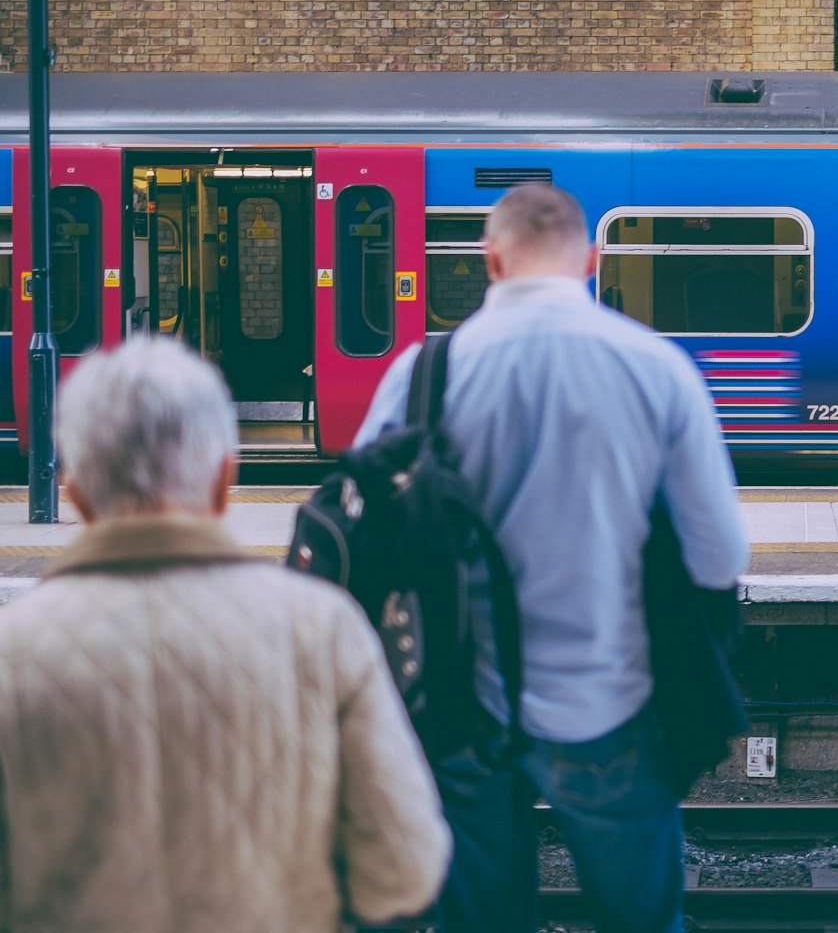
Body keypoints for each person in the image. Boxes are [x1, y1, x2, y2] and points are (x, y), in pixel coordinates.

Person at [356, 182, 749, 933]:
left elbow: (369, 529)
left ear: (490, 258)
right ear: (592, 260)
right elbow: (720, 553)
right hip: (612, 702)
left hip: (461, 707)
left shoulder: (421, 373)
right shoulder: (656, 367)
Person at [0, 337, 450, 932]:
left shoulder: (14, 651)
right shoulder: (322, 629)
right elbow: (405, 869)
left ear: (77, 495)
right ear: (224, 479)